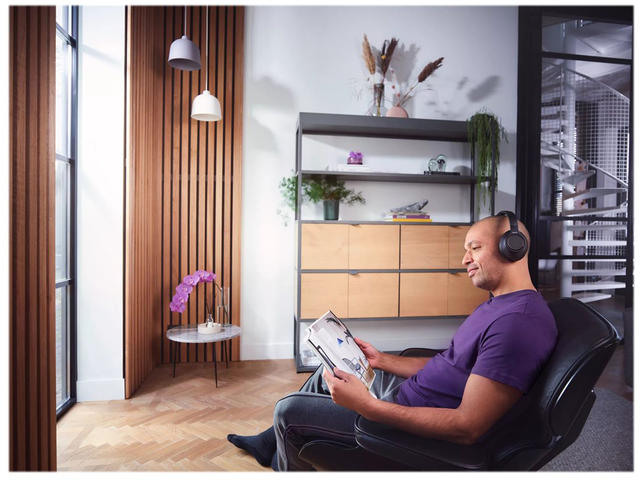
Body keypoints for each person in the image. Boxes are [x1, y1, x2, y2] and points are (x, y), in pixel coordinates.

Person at [227, 212, 558, 471]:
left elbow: (467, 426)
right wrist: (381, 360)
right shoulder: (500, 304)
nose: (464, 259)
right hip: (409, 395)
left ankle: (284, 452)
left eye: (475, 247)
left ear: (512, 247)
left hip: (406, 424)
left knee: (288, 411)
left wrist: (367, 406)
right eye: (465, 250)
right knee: (327, 371)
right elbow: (451, 363)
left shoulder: (517, 324)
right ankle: (269, 444)